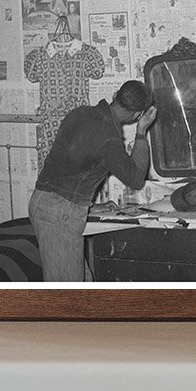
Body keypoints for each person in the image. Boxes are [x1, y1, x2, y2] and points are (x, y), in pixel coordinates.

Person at [27, 80, 157, 282]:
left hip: (44, 202)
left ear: (116, 94)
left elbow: (72, 167)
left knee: (84, 281)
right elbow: (136, 178)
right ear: (138, 115)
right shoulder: (109, 139)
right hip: (61, 214)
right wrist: (141, 132)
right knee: (67, 298)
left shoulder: (81, 113)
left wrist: (90, 208)